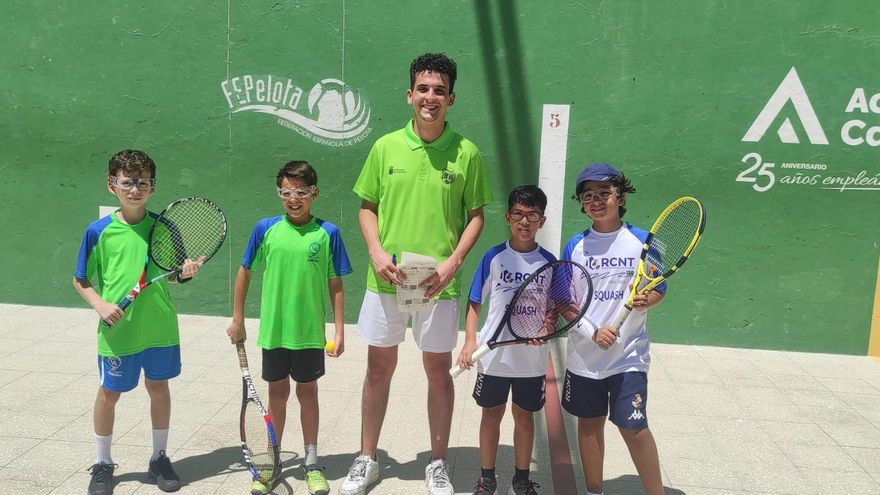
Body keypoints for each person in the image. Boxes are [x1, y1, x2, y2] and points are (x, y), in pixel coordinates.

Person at [341, 52, 492, 495]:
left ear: (451, 99)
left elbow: (476, 216)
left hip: (437, 285)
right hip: (387, 279)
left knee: (438, 372)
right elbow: (367, 208)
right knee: (378, 370)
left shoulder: (467, 153)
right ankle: (367, 459)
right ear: (410, 95)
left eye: (439, 91)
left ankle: (438, 463)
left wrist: (453, 262)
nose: (430, 97)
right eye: (423, 89)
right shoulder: (385, 146)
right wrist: (374, 251)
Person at [74, 149, 202, 495]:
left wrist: (187, 271)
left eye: (143, 183)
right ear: (112, 184)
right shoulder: (98, 231)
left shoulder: (165, 227)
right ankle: (103, 463)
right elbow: (80, 279)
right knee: (109, 393)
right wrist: (100, 304)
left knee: (159, 388)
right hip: (118, 332)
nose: (135, 189)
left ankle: (159, 458)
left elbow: (174, 274)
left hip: (159, 328)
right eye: (127, 182)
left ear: (152, 187)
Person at [225, 160, 351, 495]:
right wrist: (238, 318)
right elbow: (244, 271)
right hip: (275, 332)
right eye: (286, 193)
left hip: (309, 334)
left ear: (315, 193)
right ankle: (272, 462)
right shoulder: (265, 228)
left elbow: (336, 284)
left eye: (301, 193)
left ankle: (311, 462)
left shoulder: (328, 233)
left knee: (308, 393)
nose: (293, 199)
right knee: (277, 394)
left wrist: (339, 330)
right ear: (279, 193)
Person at [560, 163, 666, 495]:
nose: (595, 201)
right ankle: (594, 492)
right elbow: (564, 301)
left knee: (634, 428)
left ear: (620, 197)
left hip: (628, 356)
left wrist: (649, 299)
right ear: (581, 204)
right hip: (584, 357)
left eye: (604, 193)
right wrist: (592, 331)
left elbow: (659, 287)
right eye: (587, 196)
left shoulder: (644, 241)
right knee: (589, 427)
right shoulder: (575, 245)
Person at [456, 185, 554, 495]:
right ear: (508, 217)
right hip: (493, 358)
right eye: (518, 214)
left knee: (524, 419)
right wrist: (469, 341)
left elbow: (554, 307)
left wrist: (546, 326)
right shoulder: (494, 257)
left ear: (542, 221)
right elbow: (475, 301)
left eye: (532, 215)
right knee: (491, 416)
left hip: (531, 362)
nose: (525, 221)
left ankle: (521, 483)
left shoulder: (549, 262)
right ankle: (487, 480)